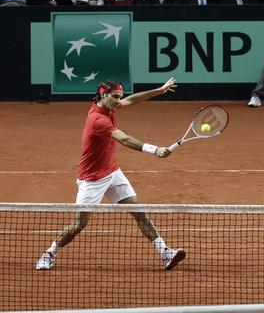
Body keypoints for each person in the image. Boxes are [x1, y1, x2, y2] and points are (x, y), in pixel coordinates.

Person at [35, 78, 187, 271]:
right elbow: (123, 139)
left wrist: (159, 90)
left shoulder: (108, 106)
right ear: (103, 94)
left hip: (113, 172)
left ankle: (165, 252)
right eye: (115, 97)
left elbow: (132, 100)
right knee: (78, 224)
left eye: (119, 97)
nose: (118, 101)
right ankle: (49, 253)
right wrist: (154, 149)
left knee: (139, 212)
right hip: (92, 180)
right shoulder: (98, 120)